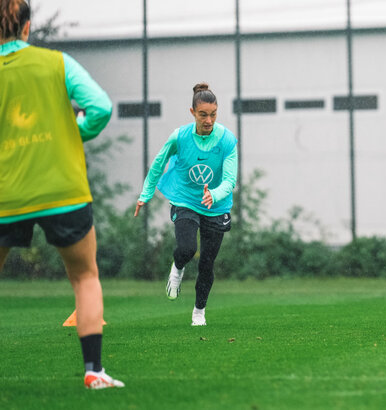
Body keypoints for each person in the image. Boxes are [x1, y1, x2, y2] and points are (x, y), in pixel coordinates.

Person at [0, 0, 124, 389]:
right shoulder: (58, 63)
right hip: (64, 191)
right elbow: (100, 107)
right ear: (26, 27)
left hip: (6, 193)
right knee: (85, 276)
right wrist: (75, 133)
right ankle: (94, 372)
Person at [134, 83, 238, 327]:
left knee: (207, 263)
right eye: (203, 114)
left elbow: (230, 179)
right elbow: (159, 164)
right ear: (192, 112)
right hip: (185, 199)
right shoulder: (179, 137)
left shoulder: (227, 140)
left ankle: (199, 312)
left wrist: (215, 194)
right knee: (187, 248)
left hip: (216, 205)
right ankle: (177, 268)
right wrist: (145, 194)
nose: (209, 120)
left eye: (213, 114)